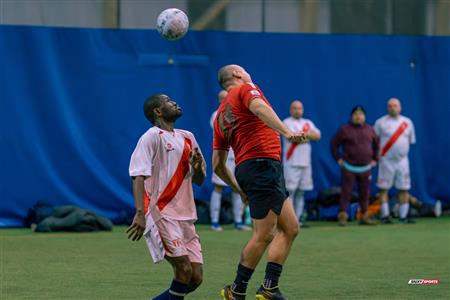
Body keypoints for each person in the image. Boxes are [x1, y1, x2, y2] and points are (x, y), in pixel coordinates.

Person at [213, 64, 305, 300]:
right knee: (264, 234)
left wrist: (238, 189)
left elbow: (218, 165)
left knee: (290, 228)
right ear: (236, 75)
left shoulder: (220, 116)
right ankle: (236, 289)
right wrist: (286, 131)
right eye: (244, 70)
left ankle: (269, 288)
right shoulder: (245, 89)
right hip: (262, 166)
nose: (248, 73)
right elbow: (259, 107)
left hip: (253, 169)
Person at [127, 94, 206, 300]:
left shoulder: (188, 136)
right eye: (169, 101)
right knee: (184, 270)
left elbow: (199, 179)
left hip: (186, 215)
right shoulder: (151, 137)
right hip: (160, 212)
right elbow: (138, 176)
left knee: (195, 277)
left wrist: (197, 168)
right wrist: (140, 213)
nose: (175, 103)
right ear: (158, 111)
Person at [331, 105, 379, 226]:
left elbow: (377, 145)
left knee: (365, 193)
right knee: (346, 193)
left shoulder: (370, 129)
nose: (358, 116)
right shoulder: (344, 129)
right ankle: (343, 215)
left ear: (364, 116)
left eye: (361, 114)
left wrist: (375, 159)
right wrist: (338, 159)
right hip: (349, 168)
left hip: (366, 168)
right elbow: (334, 145)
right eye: (356, 114)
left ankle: (365, 215)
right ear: (352, 116)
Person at [210, 90, 250, 231]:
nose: (225, 100)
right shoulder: (216, 115)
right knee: (219, 187)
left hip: (239, 156)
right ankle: (215, 221)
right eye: (222, 98)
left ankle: (238, 221)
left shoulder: (238, 112)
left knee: (238, 188)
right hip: (224, 157)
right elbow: (225, 132)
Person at [374, 98, 416, 224]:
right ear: (387, 108)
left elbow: (410, 141)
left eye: (395, 106)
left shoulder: (407, 122)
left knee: (404, 188)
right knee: (383, 188)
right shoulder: (380, 122)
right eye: (390, 106)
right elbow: (374, 141)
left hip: (402, 161)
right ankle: (385, 216)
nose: (393, 108)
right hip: (385, 161)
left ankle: (403, 217)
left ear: (400, 107)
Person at [282, 100, 321, 227]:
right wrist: (307, 136)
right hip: (291, 162)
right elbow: (292, 138)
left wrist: (303, 136)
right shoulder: (286, 122)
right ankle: (289, 220)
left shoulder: (308, 122)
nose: (297, 110)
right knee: (290, 192)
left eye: (299, 108)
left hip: (305, 163)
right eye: (295, 108)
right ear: (290, 110)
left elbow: (318, 136)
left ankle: (298, 220)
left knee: (301, 192)